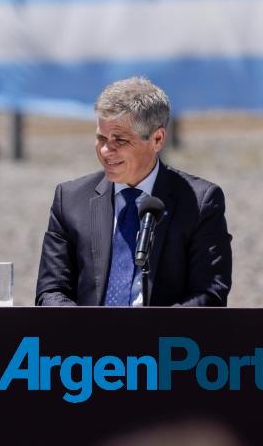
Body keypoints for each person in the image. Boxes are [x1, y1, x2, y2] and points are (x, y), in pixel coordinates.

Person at [36, 77, 232, 307]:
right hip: (88, 339)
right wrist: (87, 330)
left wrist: (147, 333)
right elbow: (50, 291)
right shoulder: (69, 200)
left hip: (162, 339)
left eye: (120, 140)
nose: (106, 150)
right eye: (101, 138)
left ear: (157, 139)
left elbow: (210, 294)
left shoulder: (200, 202)